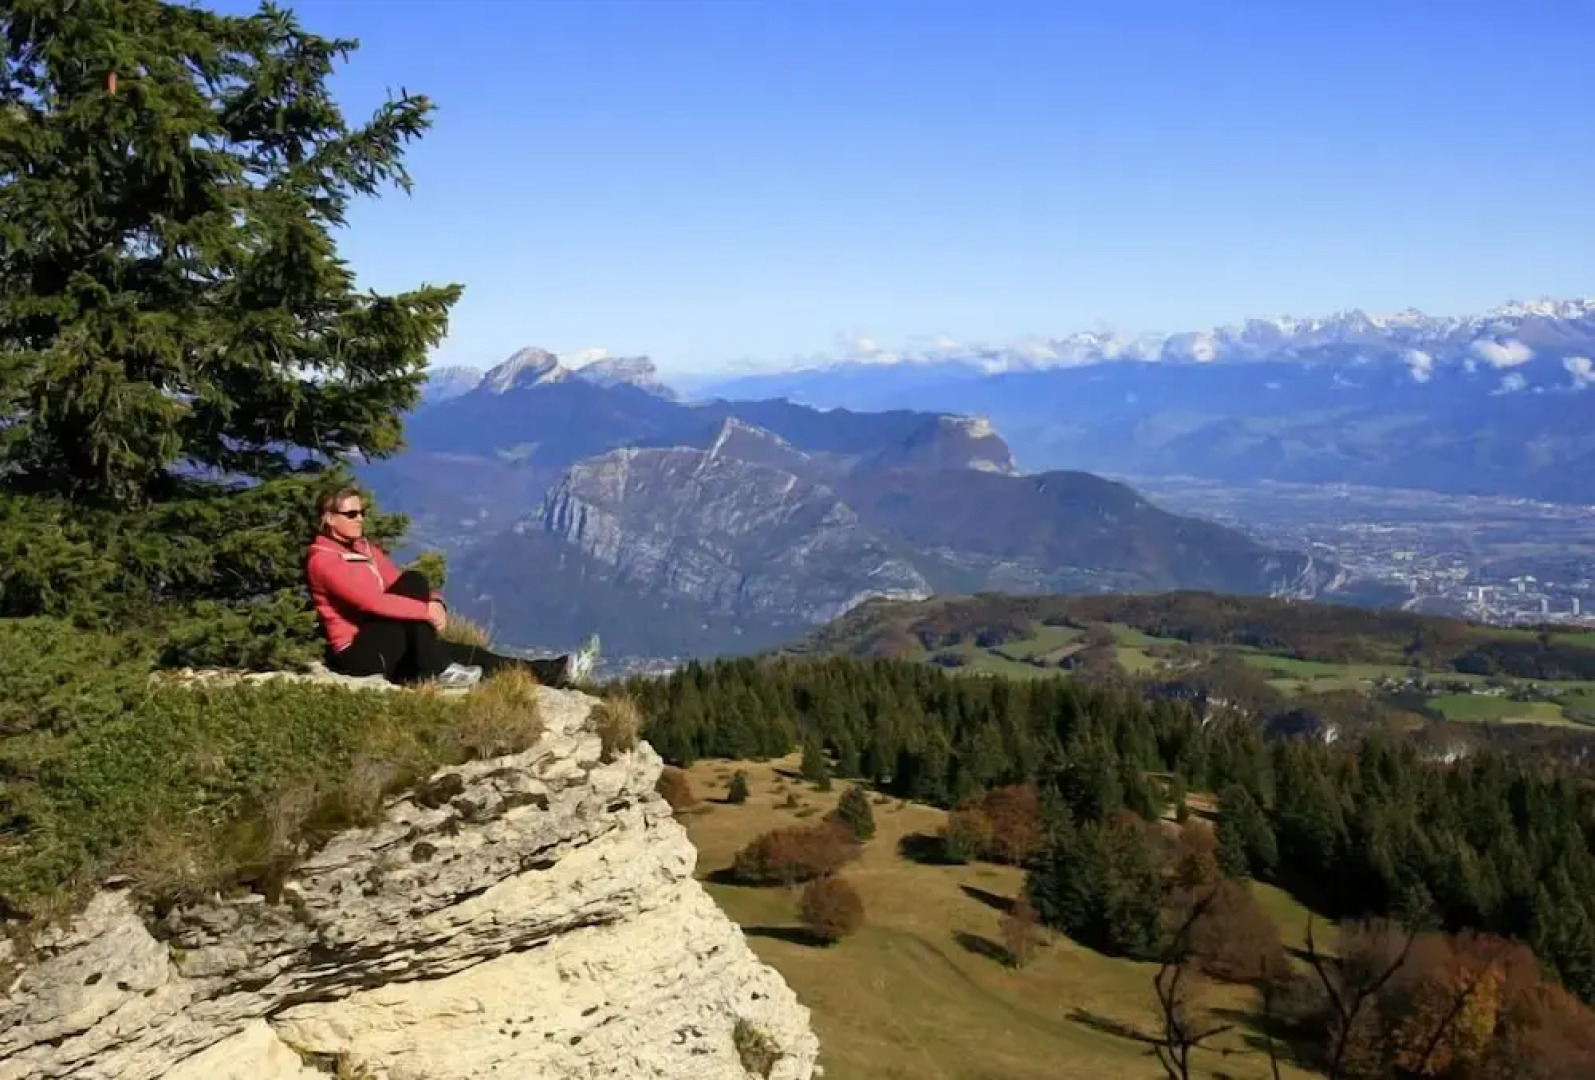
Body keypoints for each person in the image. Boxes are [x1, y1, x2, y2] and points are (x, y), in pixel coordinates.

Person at [306, 487, 599, 688]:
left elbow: (396, 582)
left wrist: (436, 602)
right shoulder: (324, 561)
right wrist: (425, 610)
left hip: (390, 638)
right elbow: (372, 603)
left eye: (362, 512)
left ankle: (557, 671)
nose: (360, 519)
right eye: (351, 514)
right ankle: (437, 669)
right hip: (358, 654)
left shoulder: (364, 548)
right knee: (414, 585)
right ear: (329, 519)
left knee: (471, 654)